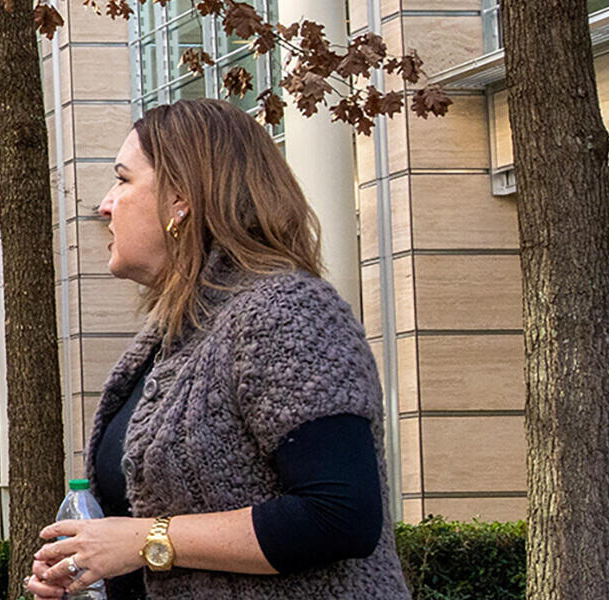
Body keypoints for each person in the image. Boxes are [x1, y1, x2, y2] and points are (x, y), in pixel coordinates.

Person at [23, 97, 406, 600]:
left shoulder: (286, 310)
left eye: (123, 179)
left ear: (180, 199)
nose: (105, 204)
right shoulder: (172, 338)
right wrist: (89, 571)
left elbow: (339, 514)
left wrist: (145, 540)